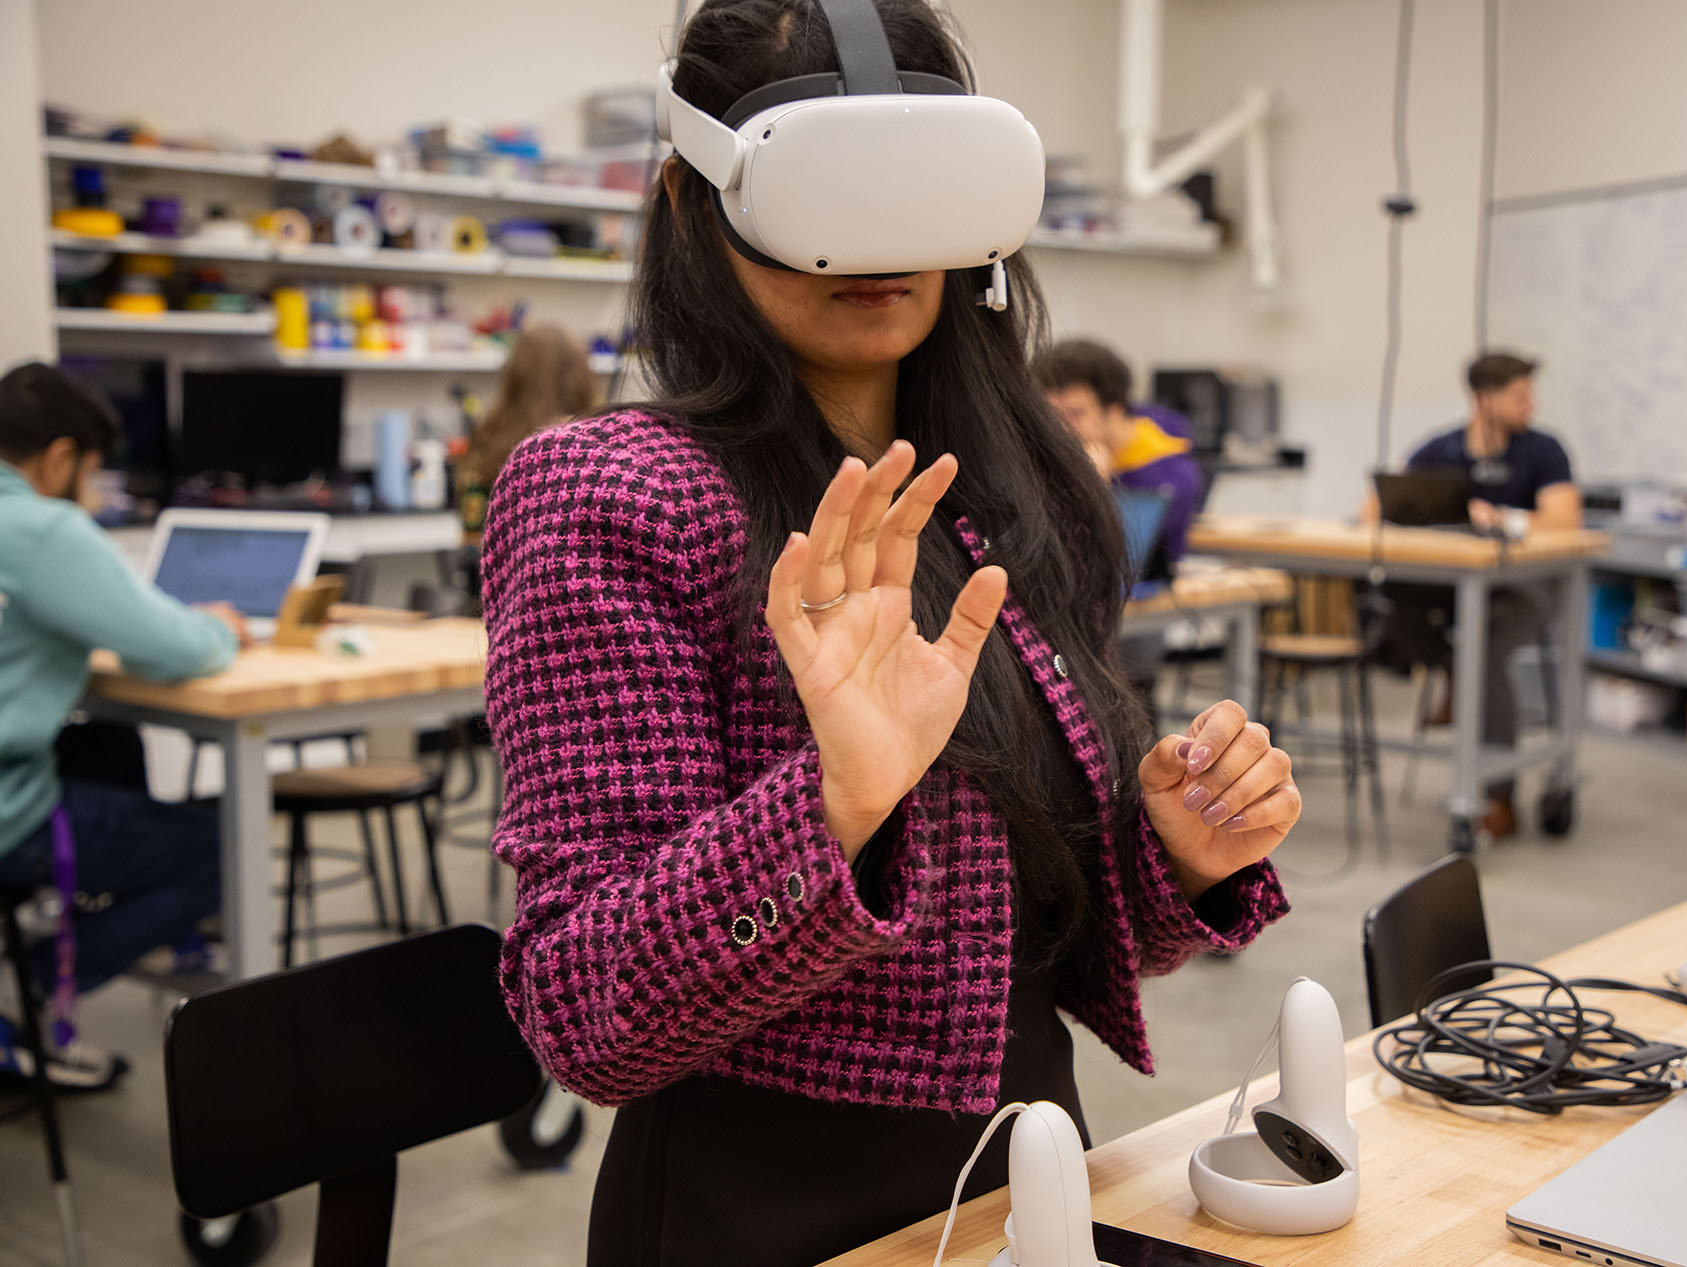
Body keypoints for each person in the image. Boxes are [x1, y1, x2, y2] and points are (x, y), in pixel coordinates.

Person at [480, 4, 1301, 1264]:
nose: (872, 246)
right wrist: (834, 806)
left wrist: (1177, 858)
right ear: (696, 202)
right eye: (825, 189)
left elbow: (1059, 932)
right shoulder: (613, 493)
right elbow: (586, 1013)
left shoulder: (1023, 491)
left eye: (911, 187)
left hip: (1026, 1173)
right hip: (756, 1203)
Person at [0, 362, 245, 1089]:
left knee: (109, 744)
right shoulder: (43, 527)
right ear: (60, 459)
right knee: (224, 847)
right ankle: (30, 991)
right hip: (9, 814)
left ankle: (57, 929)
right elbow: (176, 647)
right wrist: (221, 627)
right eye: (93, 473)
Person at [1368, 351, 1580, 838]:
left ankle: (1498, 795)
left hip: (1529, 585)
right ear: (1484, 400)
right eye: (1519, 395)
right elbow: (1380, 503)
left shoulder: (1544, 451)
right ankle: (1453, 670)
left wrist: (1504, 518)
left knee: (1482, 652)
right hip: (1455, 586)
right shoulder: (1440, 450)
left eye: (1530, 394)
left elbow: (1566, 519)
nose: (1531, 404)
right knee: (1392, 601)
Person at [1035, 337, 1205, 578]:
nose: (1061, 428)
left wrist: (1092, 487)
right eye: (1051, 415)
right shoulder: (1055, 455)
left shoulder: (1173, 473)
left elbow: (1120, 558)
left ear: (1114, 411)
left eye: (1075, 414)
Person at [457, 325, 600, 546]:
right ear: (579, 375)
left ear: (515, 374)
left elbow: (471, 534)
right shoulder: (592, 443)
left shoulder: (488, 436)